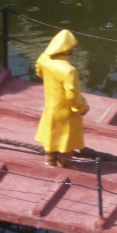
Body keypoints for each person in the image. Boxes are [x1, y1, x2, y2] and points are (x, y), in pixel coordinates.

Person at [36, 29, 88, 169]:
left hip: (51, 106)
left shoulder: (43, 59)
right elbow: (72, 95)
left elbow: (39, 72)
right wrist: (82, 107)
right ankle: (65, 164)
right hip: (66, 111)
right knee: (66, 138)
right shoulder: (68, 70)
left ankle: (49, 161)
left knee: (51, 133)